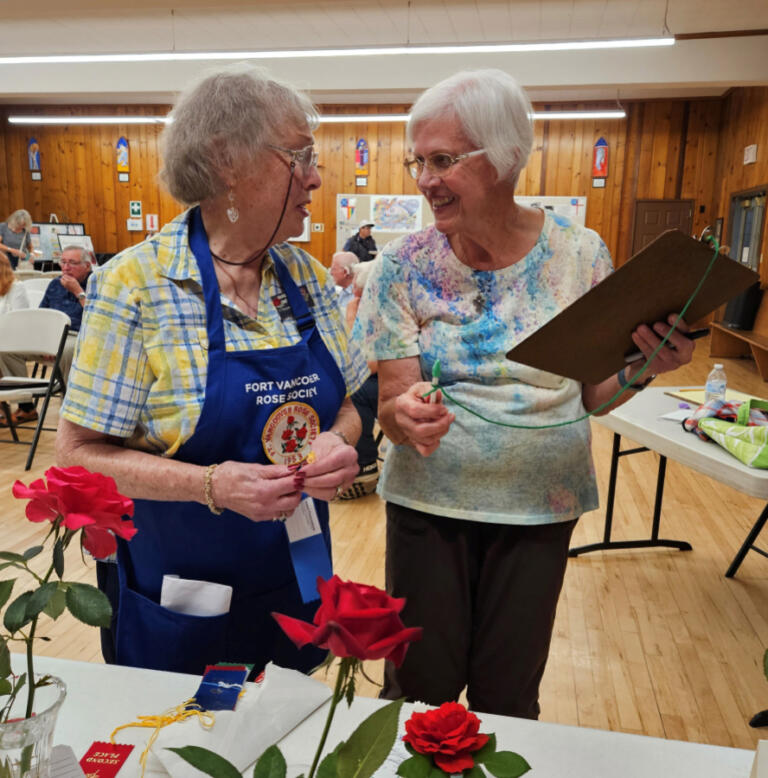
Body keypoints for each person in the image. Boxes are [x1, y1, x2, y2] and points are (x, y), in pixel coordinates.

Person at [355, 68, 696, 718]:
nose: (425, 178)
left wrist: (644, 366)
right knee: (417, 692)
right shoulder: (403, 265)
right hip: (429, 510)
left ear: (507, 156)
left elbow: (592, 394)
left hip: (540, 509)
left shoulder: (579, 256)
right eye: (417, 160)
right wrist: (406, 416)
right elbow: (393, 412)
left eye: (444, 159)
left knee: (508, 697)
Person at [55, 65, 367, 678]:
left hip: (297, 567)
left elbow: (352, 404)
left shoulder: (303, 277)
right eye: (298, 155)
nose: (315, 175)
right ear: (228, 162)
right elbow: (77, 455)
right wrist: (211, 486)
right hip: (185, 585)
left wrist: (339, 441)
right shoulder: (137, 285)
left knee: (290, 740)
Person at [340, 259, 381, 499]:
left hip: (404, 381)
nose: (354, 292)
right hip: (377, 375)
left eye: (358, 288)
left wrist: (352, 319)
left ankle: (364, 469)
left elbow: (369, 365)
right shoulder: (361, 307)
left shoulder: (382, 309)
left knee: (353, 392)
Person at [35, 245, 93, 395]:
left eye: (72, 263)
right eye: (63, 262)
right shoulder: (55, 283)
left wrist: (78, 291)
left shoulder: (97, 283)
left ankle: (70, 405)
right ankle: (25, 406)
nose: (66, 268)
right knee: (6, 350)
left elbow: (98, 315)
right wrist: (46, 340)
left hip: (81, 336)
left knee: (66, 351)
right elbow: (42, 315)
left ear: (87, 266)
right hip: (54, 336)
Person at [0, 251, 33, 426]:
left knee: (3, 351)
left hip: (17, 336)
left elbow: (18, 319)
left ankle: (27, 406)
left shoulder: (16, 287)